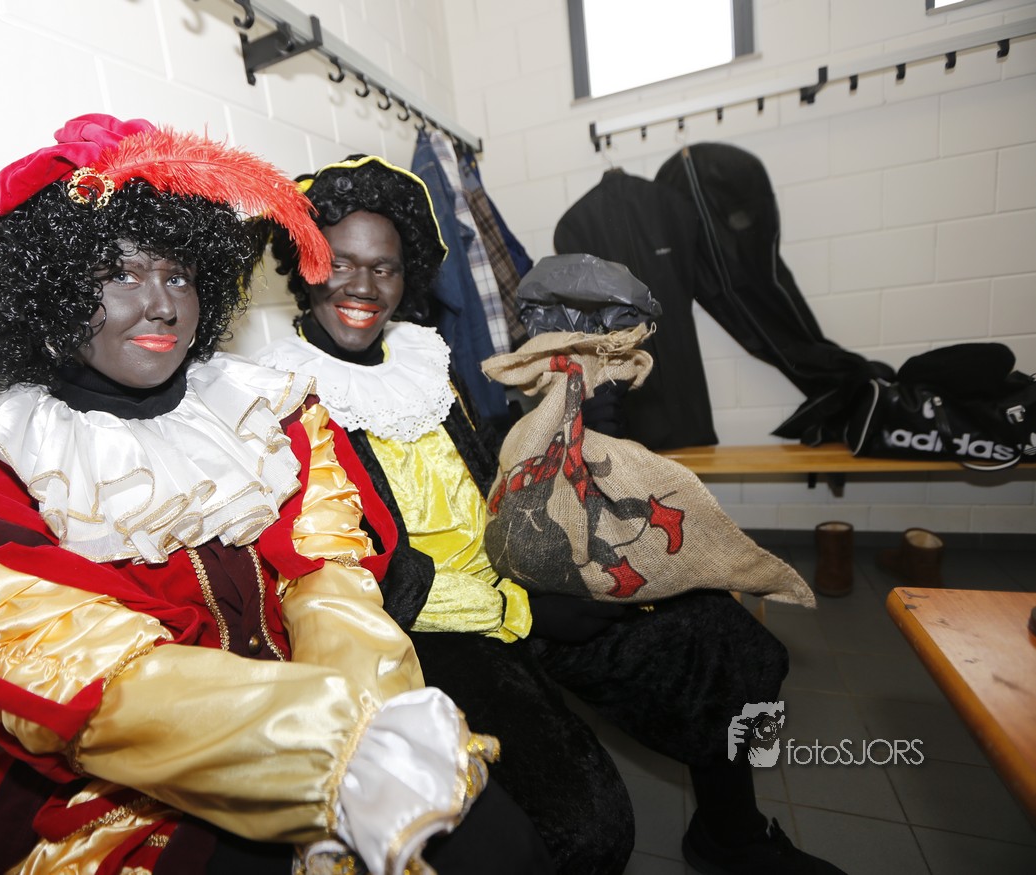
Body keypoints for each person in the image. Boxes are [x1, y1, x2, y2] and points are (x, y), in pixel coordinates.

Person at [0, 115, 552, 875]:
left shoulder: (268, 415)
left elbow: (332, 585)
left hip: (341, 712)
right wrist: (332, 761)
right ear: (52, 291)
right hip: (141, 801)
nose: (162, 305)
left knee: (504, 846)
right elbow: (103, 689)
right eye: (121, 274)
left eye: (178, 275)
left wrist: (376, 734)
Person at [258, 154, 850, 875]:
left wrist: (563, 418)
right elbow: (358, 577)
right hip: (426, 630)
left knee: (722, 641)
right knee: (586, 824)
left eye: (384, 267)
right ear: (304, 265)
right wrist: (526, 610)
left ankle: (730, 832)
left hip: (516, 574)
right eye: (340, 263)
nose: (363, 286)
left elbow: (482, 473)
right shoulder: (282, 397)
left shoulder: (422, 358)